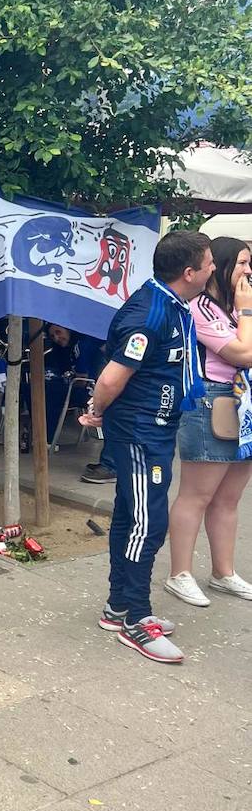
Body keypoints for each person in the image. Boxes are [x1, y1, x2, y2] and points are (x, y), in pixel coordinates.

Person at [80, 230, 214, 665]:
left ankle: (118, 606)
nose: (214, 269)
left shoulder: (173, 305)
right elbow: (111, 378)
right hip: (139, 432)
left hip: (156, 429)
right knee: (148, 522)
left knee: (132, 515)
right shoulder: (149, 313)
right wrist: (96, 410)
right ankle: (137, 618)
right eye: (209, 263)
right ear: (189, 272)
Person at [165, 237, 252, 607]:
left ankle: (224, 572)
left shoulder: (239, 308)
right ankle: (179, 573)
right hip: (211, 401)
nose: (249, 271)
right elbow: (242, 353)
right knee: (196, 495)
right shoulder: (200, 308)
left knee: (229, 498)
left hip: (243, 403)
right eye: (244, 263)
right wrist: (247, 313)